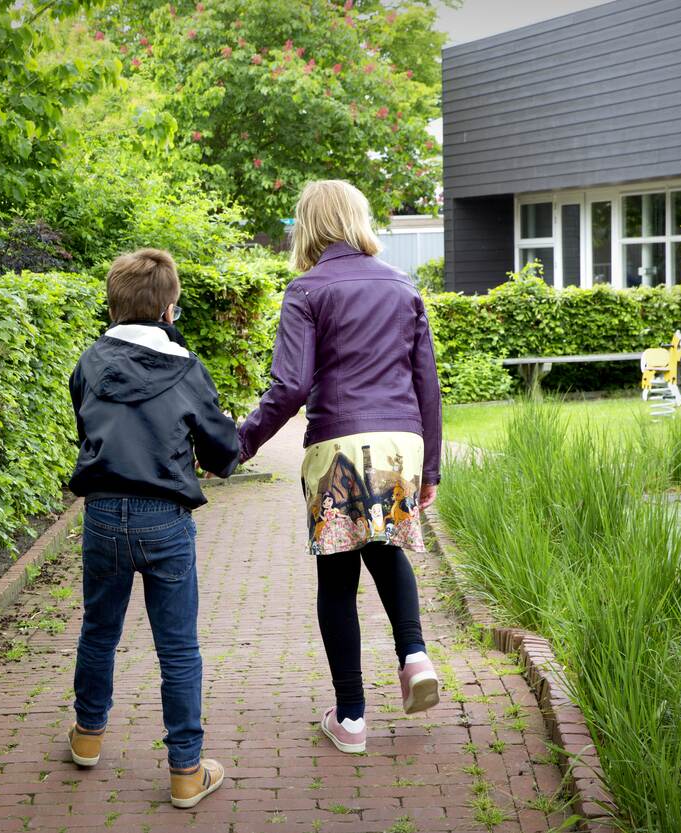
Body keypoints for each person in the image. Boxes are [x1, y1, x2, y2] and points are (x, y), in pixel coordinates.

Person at [237, 180, 443, 755]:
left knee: (337, 580)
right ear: (358, 219)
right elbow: (427, 385)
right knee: (387, 549)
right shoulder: (404, 286)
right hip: (399, 442)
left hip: (338, 445)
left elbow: (290, 386)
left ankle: (351, 719)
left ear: (309, 225)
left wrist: (240, 444)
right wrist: (431, 472)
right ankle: (414, 654)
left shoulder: (306, 290)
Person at [66, 248, 240, 808]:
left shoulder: (90, 363)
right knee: (178, 647)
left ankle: (88, 736)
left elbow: (85, 426)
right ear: (169, 309)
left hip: (102, 513)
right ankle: (186, 771)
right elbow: (222, 451)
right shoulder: (187, 371)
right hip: (164, 518)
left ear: (113, 305)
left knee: (99, 630)